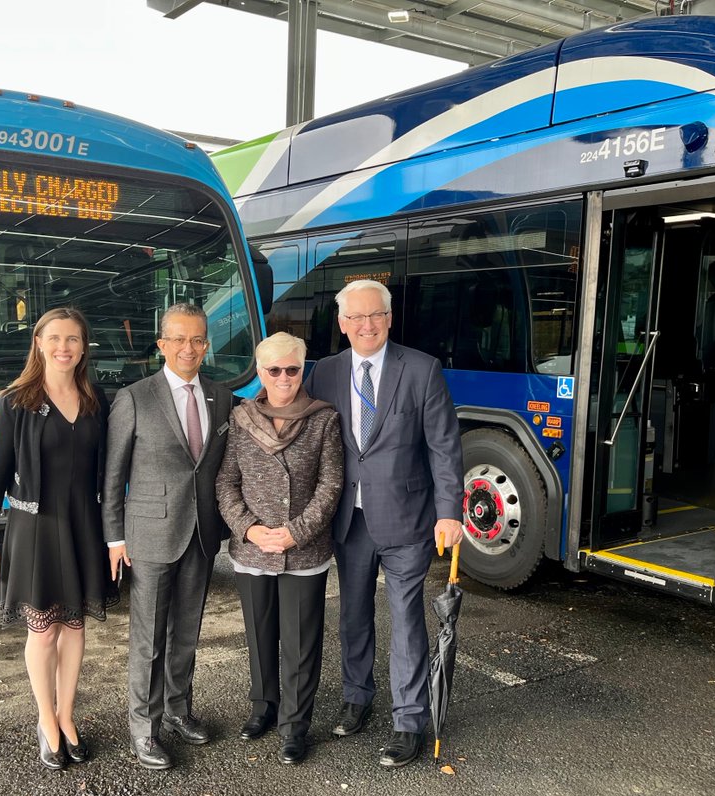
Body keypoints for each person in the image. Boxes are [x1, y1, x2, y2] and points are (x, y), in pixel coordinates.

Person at [306, 279, 464, 768]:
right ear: (341, 324)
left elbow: (443, 446)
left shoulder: (421, 369)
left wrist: (449, 512)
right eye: (355, 318)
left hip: (407, 519)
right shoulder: (324, 373)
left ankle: (408, 719)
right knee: (353, 614)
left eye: (375, 315)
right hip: (348, 520)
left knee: (407, 620)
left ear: (390, 318)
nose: (366, 325)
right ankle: (357, 697)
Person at [0, 307, 118, 771]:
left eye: (73, 339)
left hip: (84, 525)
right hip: (35, 528)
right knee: (44, 629)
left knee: (75, 626)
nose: (64, 347)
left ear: (84, 347)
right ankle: (45, 720)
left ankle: (67, 714)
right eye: (54, 338)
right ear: (38, 342)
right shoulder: (15, 401)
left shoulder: (97, 398)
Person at [103, 303, 233, 770]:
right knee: (149, 639)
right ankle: (144, 728)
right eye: (178, 339)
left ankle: (178, 710)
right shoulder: (135, 397)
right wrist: (115, 538)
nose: (188, 348)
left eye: (197, 339)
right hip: (150, 536)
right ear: (161, 344)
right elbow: (113, 475)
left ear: (206, 344)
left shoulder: (221, 396)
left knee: (187, 635)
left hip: (201, 534)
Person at [216, 333, 343, 765]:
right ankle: (264, 707)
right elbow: (226, 481)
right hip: (252, 550)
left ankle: (294, 724)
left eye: (293, 369)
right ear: (260, 372)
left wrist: (296, 532)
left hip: (304, 551)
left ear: (303, 369)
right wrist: (249, 530)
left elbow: (331, 484)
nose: (284, 377)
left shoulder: (324, 419)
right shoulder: (241, 418)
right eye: (274, 370)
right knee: (259, 634)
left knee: (301, 642)